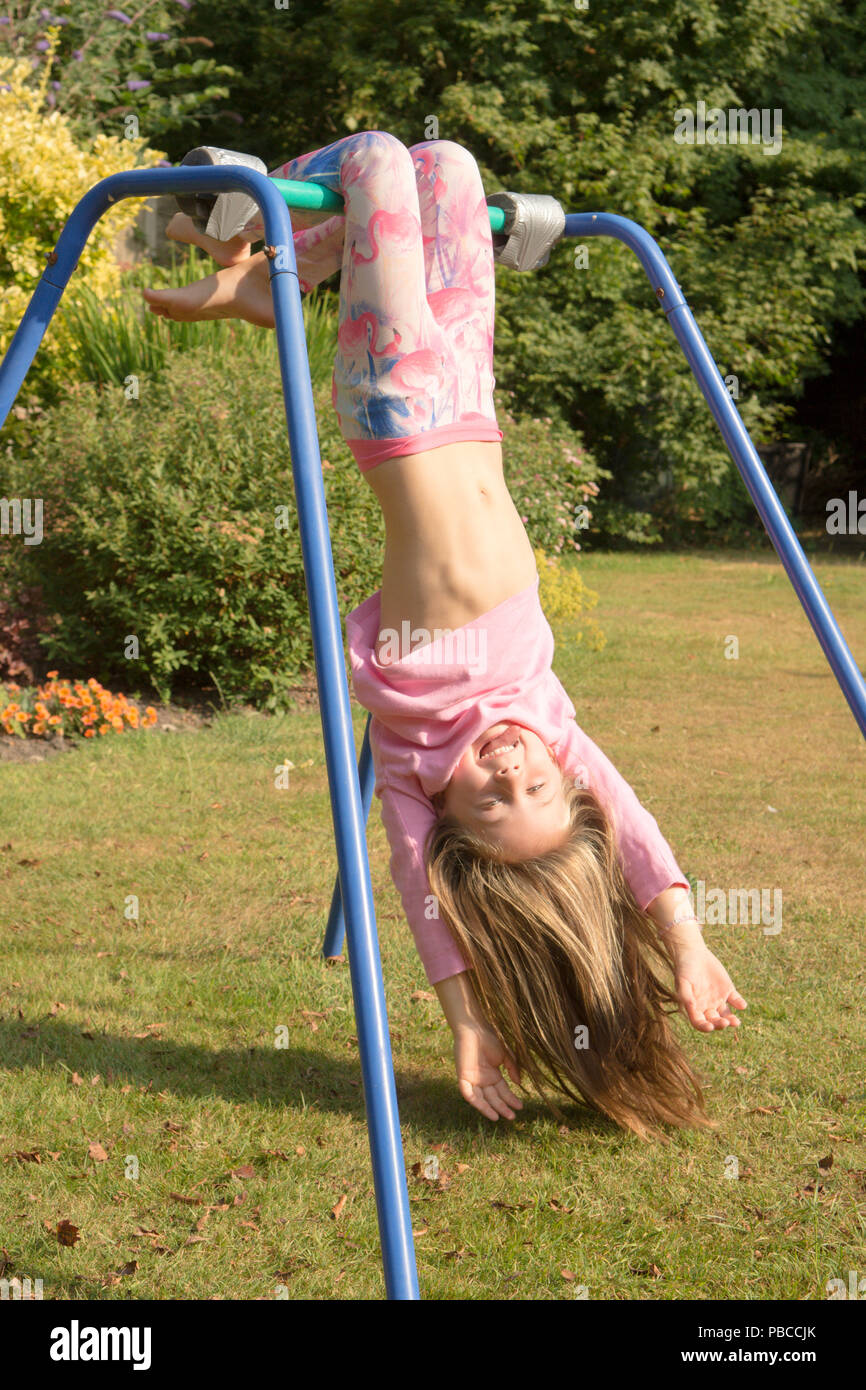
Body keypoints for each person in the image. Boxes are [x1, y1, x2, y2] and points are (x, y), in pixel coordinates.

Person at [144, 130, 746, 1140]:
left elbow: (424, 907)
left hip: (395, 408)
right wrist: (681, 940)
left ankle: (243, 216)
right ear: (564, 783)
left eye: (493, 797)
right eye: (536, 787)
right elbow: (633, 833)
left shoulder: (415, 761)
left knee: (380, 161)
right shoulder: (549, 727)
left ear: (454, 819)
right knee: (448, 170)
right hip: (471, 403)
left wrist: (467, 1022)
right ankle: (266, 293)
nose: (511, 768)